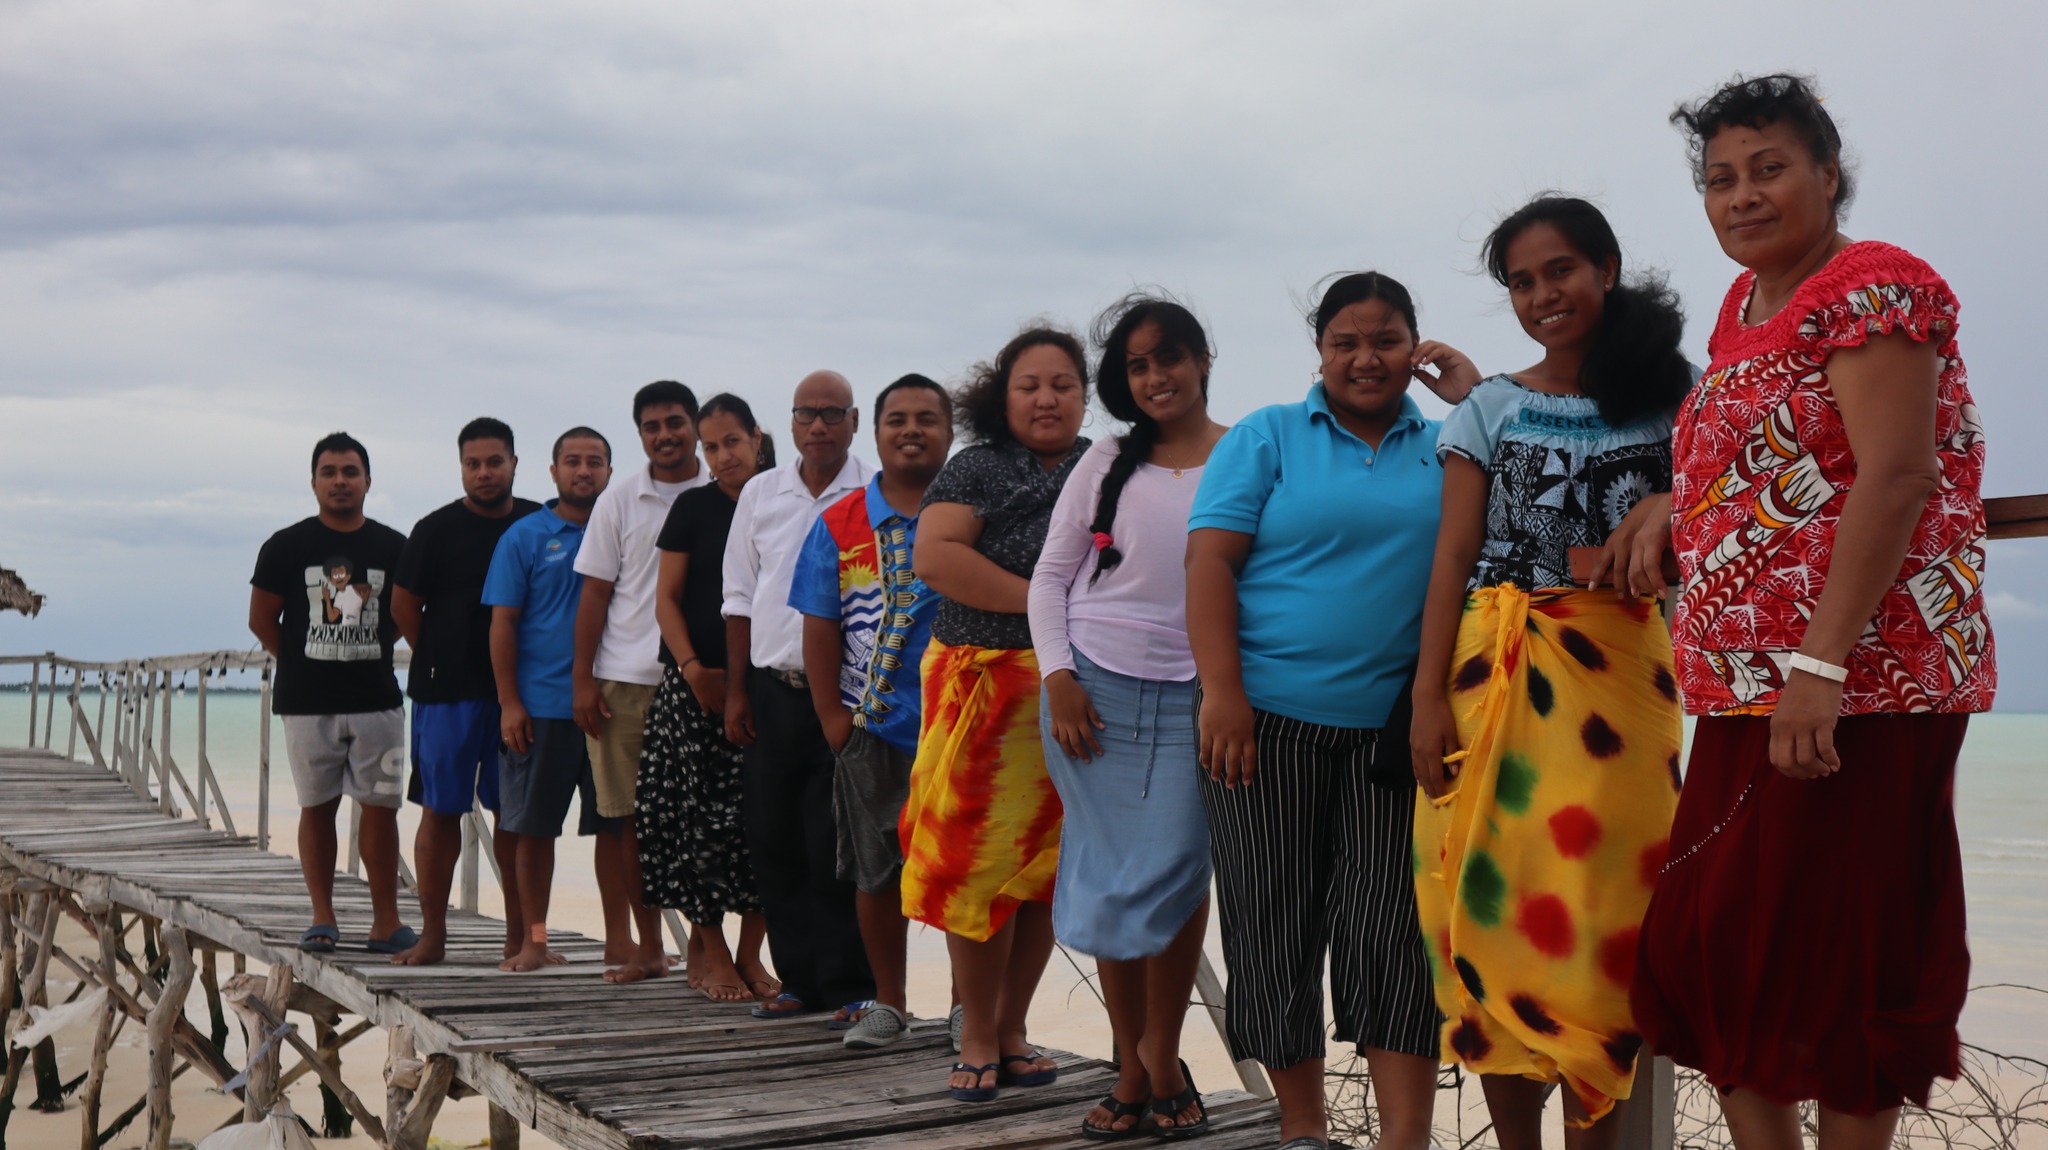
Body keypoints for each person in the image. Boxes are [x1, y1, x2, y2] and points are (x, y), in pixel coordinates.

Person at [1629, 75, 1995, 1150]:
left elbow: (1893, 474)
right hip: (1742, 688)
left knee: (1842, 962)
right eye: (1718, 179)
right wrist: (1668, 500)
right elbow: (1769, 461)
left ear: (1827, 173)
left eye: (1768, 168)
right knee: (1710, 947)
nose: (1741, 195)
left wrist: (1818, 669)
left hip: (1861, 683)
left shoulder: (1873, 283)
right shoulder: (1743, 312)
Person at [1406, 197, 1691, 1147]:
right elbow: (1450, 558)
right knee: (1494, 909)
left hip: (1624, 690)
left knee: (1605, 925)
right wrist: (1423, 701)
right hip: (1494, 681)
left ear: (1607, 268)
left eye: (1559, 271)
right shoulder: (1489, 407)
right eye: (1522, 283)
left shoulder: (1676, 401)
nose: (1542, 296)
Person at [1185, 274, 1475, 1150]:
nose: (1365, 358)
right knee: (1271, 921)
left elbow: (1482, 550)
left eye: (1386, 339)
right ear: (1319, 351)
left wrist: (1472, 398)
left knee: (1394, 931)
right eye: (1345, 340)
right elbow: (1208, 566)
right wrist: (1223, 694)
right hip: (1263, 724)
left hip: (1399, 733)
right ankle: (1302, 1128)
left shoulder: (1454, 443)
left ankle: (1404, 1139)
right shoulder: (1268, 435)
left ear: (1415, 348)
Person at [1027, 295, 1227, 1140]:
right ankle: (1138, 1068)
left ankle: (1161, 1050)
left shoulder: (1246, 451)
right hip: (1094, 693)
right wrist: (1058, 676)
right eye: (1138, 366)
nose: (1156, 377)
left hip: (1203, 694)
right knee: (1110, 878)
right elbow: (1048, 578)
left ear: (1202, 360)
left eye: (1169, 357)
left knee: (1180, 875)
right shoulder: (1105, 459)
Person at [907, 326, 1092, 1103]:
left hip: (1075, 692)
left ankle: (1014, 1027)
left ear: (1086, 394)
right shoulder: (977, 466)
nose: (1047, 398)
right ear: (1001, 395)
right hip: (983, 686)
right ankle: (975, 1026)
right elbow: (937, 557)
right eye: (1030, 385)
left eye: (1063, 384)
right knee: (977, 865)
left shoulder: (1105, 465)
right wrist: (1051, 604)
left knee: (1047, 870)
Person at [789, 374, 954, 1049]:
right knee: (873, 869)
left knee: (963, 870)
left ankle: (970, 1006)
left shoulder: (972, 513)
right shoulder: (840, 521)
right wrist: (832, 717)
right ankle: (889, 1002)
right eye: (897, 419)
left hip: (962, 728)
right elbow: (820, 624)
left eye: (927, 418)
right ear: (876, 431)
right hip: (872, 727)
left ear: (950, 431)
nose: (911, 430)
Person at [722, 371, 877, 1020]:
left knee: (837, 844)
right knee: (775, 838)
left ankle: (851, 990)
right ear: (788, 425)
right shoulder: (761, 493)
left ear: (853, 421)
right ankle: (798, 984)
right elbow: (736, 597)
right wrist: (735, 693)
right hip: (772, 690)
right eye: (807, 415)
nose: (819, 426)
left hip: (848, 695)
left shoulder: (872, 493)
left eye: (832, 414)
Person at [249, 432, 411, 955]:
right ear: (314, 480)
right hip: (305, 705)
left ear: (368, 480)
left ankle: (386, 921)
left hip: (378, 703)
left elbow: (405, 617)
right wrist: (303, 661)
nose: (340, 481)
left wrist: (371, 649)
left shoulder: (393, 546)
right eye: (329, 472)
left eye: (350, 472)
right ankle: (323, 917)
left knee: (380, 810)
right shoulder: (286, 545)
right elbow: (261, 620)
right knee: (316, 807)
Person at [639, 394, 779, 1003]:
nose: (724, 456)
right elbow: (666, 599)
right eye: (712, 446)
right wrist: (694, 669)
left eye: (733, 442)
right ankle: (713, 948)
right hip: (695, 687)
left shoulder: (782, 501)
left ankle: (752, 955)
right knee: (698, 824)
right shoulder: (693, 508)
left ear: (757, 438)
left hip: (770, 685)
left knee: (765, 823)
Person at [388, 418, 541, 966]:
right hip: (446, 694)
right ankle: (433, 935)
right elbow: (404, 605)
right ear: (461, 468)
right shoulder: (434, 529)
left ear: (514, 464)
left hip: (521, 695)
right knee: (440, 809)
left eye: (494, 462)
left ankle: (520, 937)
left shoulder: (535, 522)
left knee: (516, 816)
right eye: (473, 464)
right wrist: (438, 655)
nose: (483, 473)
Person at [572, 380, 708, 982]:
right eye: (651, 427)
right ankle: (649, 948)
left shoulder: (730, 492)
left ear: (696, 424)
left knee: (706, 816)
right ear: (640, 435)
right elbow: (596, 592)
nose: (664, 435)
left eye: (675, 422)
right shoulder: (620, 499)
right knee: (628, 819)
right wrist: (581, 680)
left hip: (704, 678)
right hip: (623, 681)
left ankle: (709, 951)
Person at [484, 427, 627, 973]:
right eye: (572, 461)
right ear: (553, 472)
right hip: (540, 709)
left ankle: (620, 943)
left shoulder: (621, 532)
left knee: (614, 830)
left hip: (609, 708)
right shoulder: (524, 537)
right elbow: (503, 624)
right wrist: (509, 703)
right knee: (532, 831)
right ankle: (535, 940)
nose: (584, 471)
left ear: (611, 473)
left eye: (595, 462)